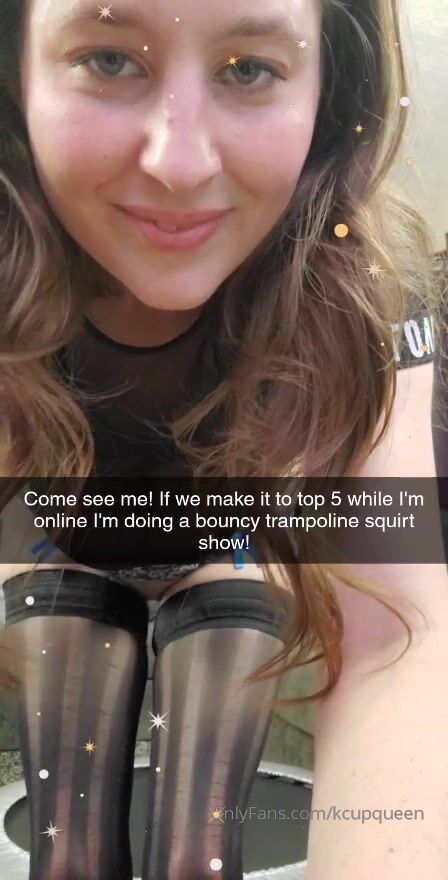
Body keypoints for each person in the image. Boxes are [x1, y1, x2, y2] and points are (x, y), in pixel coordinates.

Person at [0, 1, 446, 879]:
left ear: (330, 88)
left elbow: (395, 633)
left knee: (195, 849)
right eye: (108, 59)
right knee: (69, 842)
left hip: (233, 545)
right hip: (58, 540)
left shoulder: (368, 297)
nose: (180, 164)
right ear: (15, 70)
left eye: (248, 70)